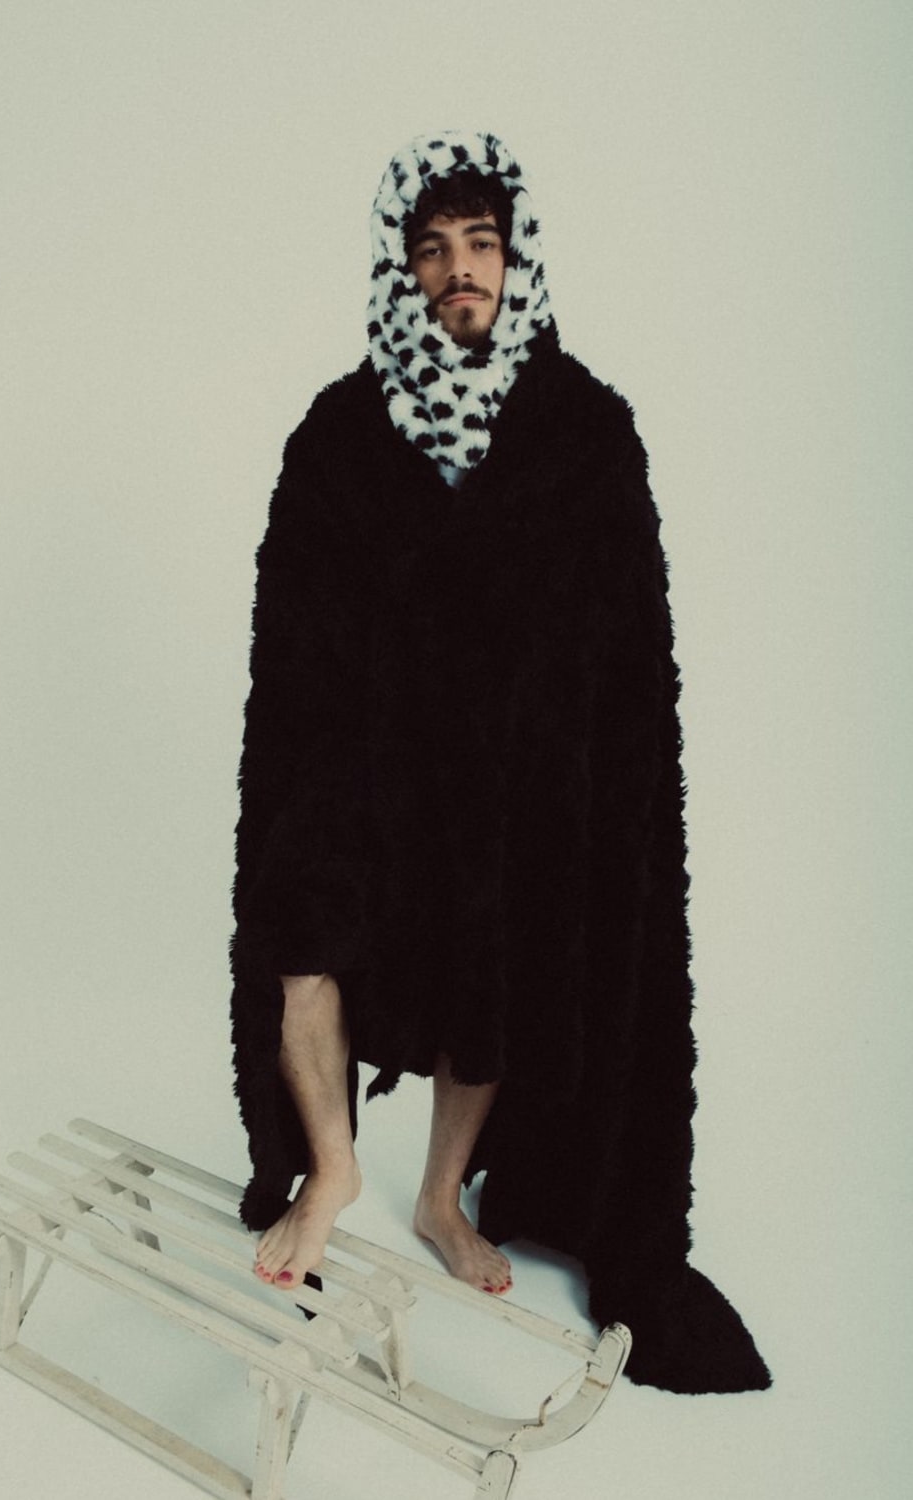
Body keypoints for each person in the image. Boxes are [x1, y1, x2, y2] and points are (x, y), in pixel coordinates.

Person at [229, 130, 770, 1393]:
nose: (459, 269)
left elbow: (625, 642)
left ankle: (438, 1196)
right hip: (363, 758)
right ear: (401, 268)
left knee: (497, 952)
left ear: (515, 258)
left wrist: (576, 780)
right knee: (302, 933)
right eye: (432, 249)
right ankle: (332, 1170)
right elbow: (295, 617)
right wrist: (330, 757)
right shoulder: (341, 429)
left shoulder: (583, 427)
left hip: (509, 772)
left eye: (480, 243)